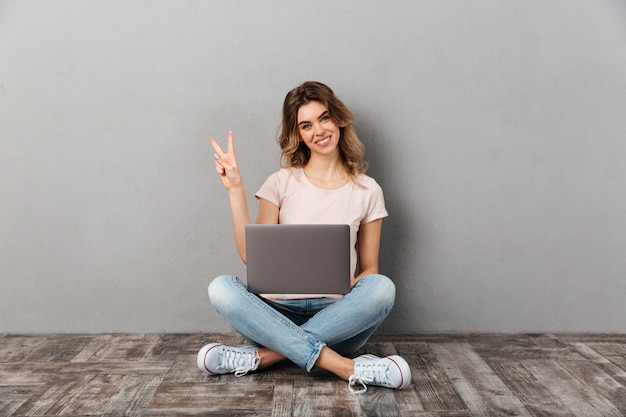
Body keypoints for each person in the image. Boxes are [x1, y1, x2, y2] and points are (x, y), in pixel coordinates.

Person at [197, 81, 411, 394]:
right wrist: (235, 189)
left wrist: (352, 284)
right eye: (306, 125)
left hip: (337, 318)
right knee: (221, 288)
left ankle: (266, 356)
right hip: (274, 313)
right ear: (298, 134)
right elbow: (251, 257)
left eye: (324, 118)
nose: (319, 131)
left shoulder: (368, 190)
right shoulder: (280, 183)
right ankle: (347, 367)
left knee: (382, 288)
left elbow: (370, 270)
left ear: (337, 119)